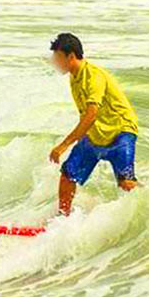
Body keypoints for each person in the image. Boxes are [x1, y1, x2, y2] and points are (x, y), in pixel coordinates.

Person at [49, 33, 140, 216]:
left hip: (120, 132)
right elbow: (86, 115)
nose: (54, 62)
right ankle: (62, 218)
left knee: (126, 183)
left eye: (57, 57)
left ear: (71, 56)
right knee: (68, 174)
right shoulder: (74, 77)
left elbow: (91, 114)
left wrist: (64, 145)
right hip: (96, 133)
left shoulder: (93, 77)